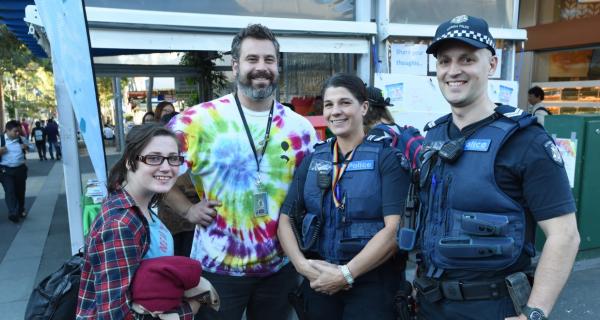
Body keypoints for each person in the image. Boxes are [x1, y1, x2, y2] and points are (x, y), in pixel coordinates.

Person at [414, 15, 580, 320]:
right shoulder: (434, 135)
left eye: (467, 59)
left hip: (492, 307)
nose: (453, 71)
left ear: (491, 65)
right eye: (444, 61)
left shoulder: (527, 140)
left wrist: (535, 313)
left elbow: (565, 235)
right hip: (429, 304)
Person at [165, 24, 318, 320]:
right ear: (235, 66)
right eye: (252, 59)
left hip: (280, 269)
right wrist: (187, 210)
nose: (261, 68)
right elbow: (153, 170)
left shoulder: (302, 129)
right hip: (217, 268)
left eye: (269, 60)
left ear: (278, 66)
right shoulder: (197, 121)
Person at [278, 73, 410, 320]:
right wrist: (302, 266)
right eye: (329, 105)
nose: (336, 111)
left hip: (372, 286)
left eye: (345, 103)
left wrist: (346, 274)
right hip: (319, 281)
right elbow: (285, 219)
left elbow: (395, 230)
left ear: (364, 107)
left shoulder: (387, 159)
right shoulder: (313, 159)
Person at [76, 123, 201, 319]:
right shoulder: (121, 224)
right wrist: (190, 308)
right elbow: (113, 316)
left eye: (173, 158)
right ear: (129, 161)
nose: (167, 167)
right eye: (154, 158)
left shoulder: (144, 206)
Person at [0, 120, 29, 223]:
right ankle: (13, 213)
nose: (17, 133)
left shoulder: (22, 139)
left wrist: (27, 147)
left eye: (19, 131)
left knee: (20, 191)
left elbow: (32, 147)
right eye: (15, 131)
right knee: (10, 191)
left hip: (20, 169)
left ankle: (20, 210)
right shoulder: (1, 140)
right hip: (5, 171)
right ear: (7, 130)